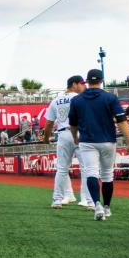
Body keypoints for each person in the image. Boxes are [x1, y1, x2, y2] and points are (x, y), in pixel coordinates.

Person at [69, 68, 129, 221]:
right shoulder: (110, 98)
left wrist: (75, 137)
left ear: (86, 81)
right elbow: (122, 121)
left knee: (91, 173)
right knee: (107, 175)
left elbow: (72, 124)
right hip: (108, 141)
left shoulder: (77, 100)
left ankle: (97, 205)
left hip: (87, 142)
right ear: (101, 81)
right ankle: (106, 207)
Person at [42, 75, 95, 210]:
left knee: (62, 169)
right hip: (79, 133)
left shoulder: (56, 100)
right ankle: (88, 201)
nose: (84, 86)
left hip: (63, 134)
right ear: (74, 84)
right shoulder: (81, 99)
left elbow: (48, 123)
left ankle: (57, 200)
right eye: (81, 84)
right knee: (86, 168)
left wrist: (46, 138)